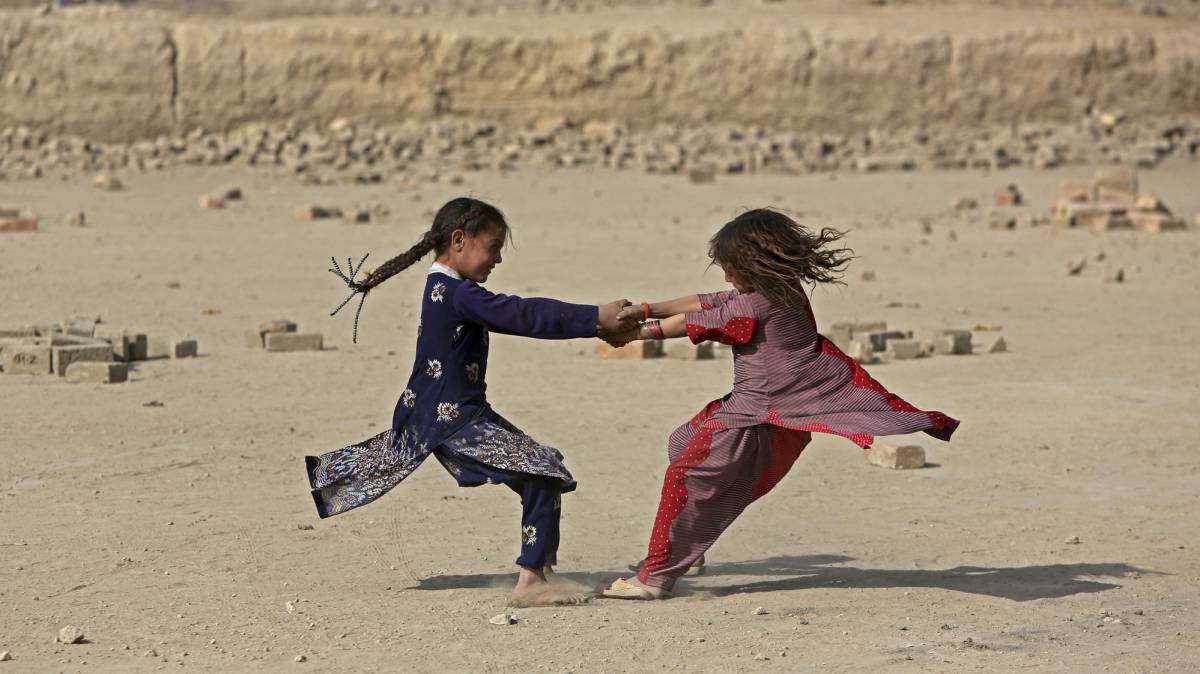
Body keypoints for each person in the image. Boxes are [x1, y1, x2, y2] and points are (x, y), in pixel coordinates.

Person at [601, 208, 959, 600]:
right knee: (682, 442)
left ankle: (655, 577)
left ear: (751, 266)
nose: (726, 278)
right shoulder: (779, 288)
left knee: (685, 478)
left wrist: (634, 333)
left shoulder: (754, 305)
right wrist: (647, 308)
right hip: (761, 406)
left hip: (757, 415)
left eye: (730, 269)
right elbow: (707, 301)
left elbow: (693, 322)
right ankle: (689, 550)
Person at [306, 197, 632, 606]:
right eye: (492, 247)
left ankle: (542, 570)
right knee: (542, 471)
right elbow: (522, 314)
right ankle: (531, 580)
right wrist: (595, 316)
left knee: (544, 469)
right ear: (459, 240)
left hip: (460, 415)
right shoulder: (455, 293)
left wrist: (597, 325)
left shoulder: (448, 289)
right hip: (452, 421)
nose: (496, 259)